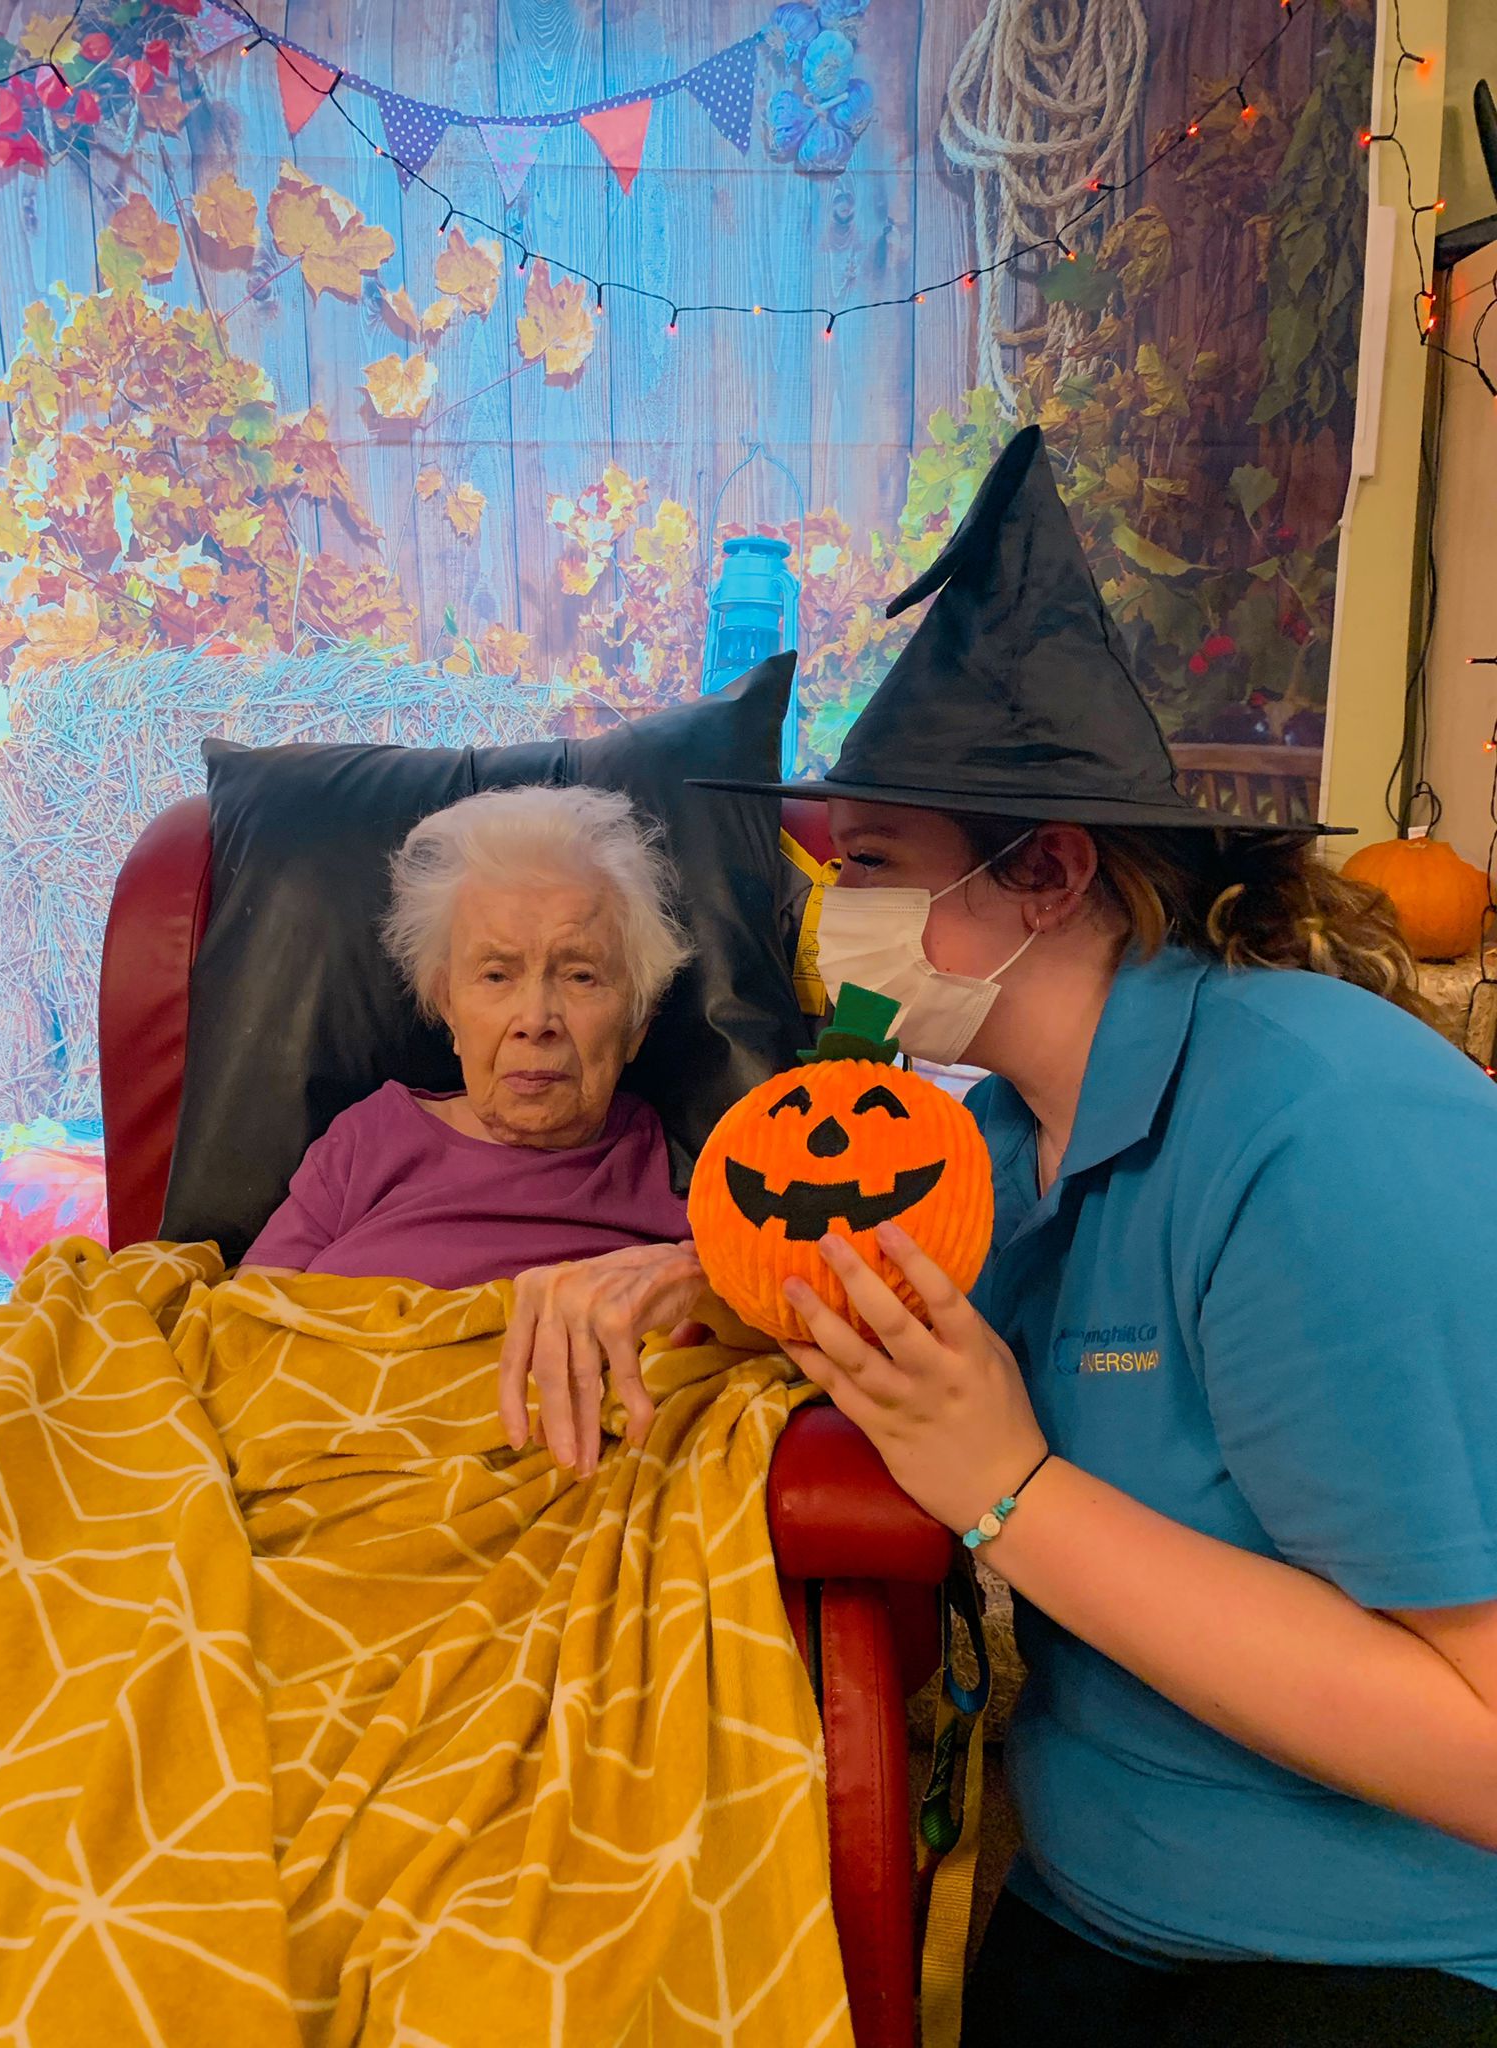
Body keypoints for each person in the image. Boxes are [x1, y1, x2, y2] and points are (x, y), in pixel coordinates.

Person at [682, 426, 1494, 2044]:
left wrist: (1013, 1489)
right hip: (1081, 1910)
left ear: (1046, 870)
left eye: (874, 867)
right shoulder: (994, 1147)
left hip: (1365, 1967)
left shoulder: (1318, 1132)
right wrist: (672, 1282)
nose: (833, 918)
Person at [242, 782, 707, 1476]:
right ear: (448, 1007)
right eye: (495, 975)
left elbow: (784, 1319)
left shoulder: (685, 1173)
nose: (535, 1019)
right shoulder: (367, 1140)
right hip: (315, 1464)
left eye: (581, 976)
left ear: (638, 1020)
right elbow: (241, 1334)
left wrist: (702, 1282)